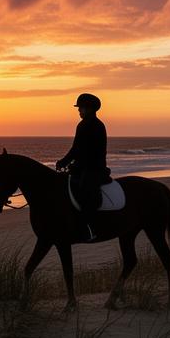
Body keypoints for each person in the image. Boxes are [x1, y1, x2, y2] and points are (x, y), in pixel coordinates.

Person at [55, 93, 111, 239]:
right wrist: (64, 162)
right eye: (79, 108)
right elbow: (76, 148)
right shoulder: (83, 124)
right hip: (84, 167)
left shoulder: (95, 125)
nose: (79, 111)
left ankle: (91, 228)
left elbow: (84, 151)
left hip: (94, 168)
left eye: (81, 108)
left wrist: (71, 164)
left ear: (90, 109)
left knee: (86, 191)